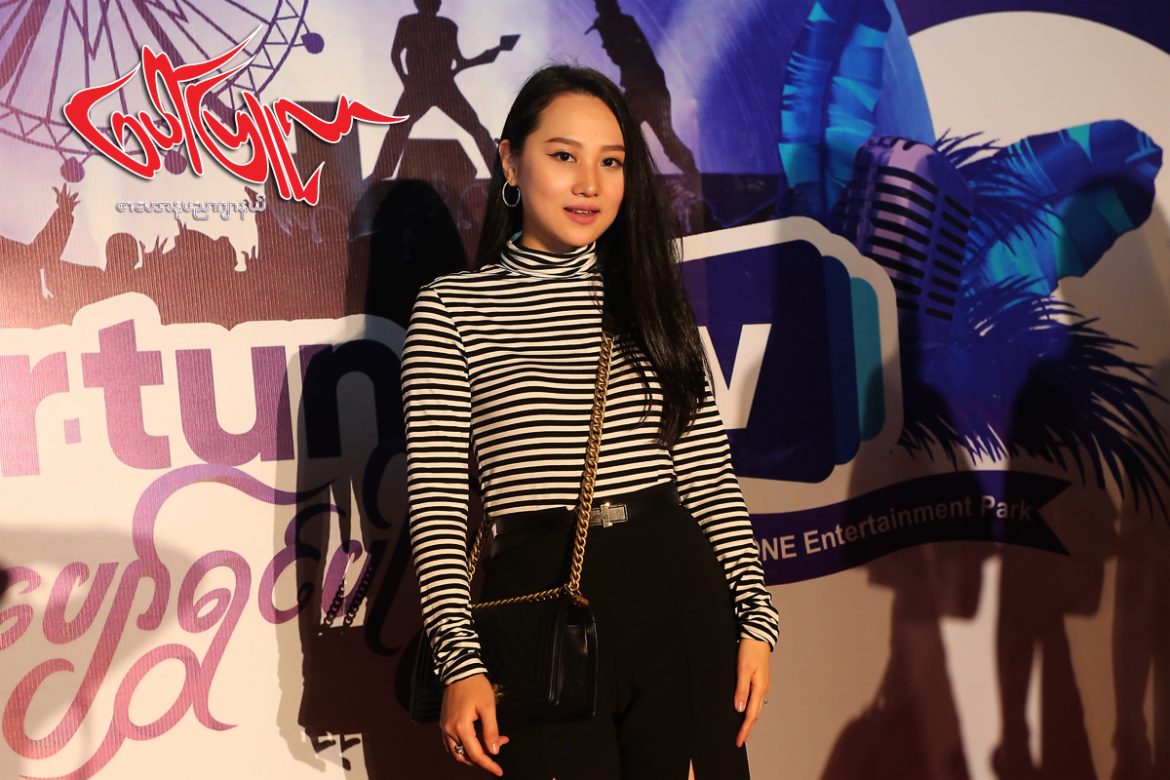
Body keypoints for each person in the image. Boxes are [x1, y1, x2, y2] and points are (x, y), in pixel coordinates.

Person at [402, 65, 779, 779]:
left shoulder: (652, 299)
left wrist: (756, 619)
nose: (589, 184)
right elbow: (440, 504)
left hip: (679, 594)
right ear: (511, 161)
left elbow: (707, 480)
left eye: (611, 162)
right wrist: (460, 661)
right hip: (538, 606)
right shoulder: (451, 308)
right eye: (563, 155)